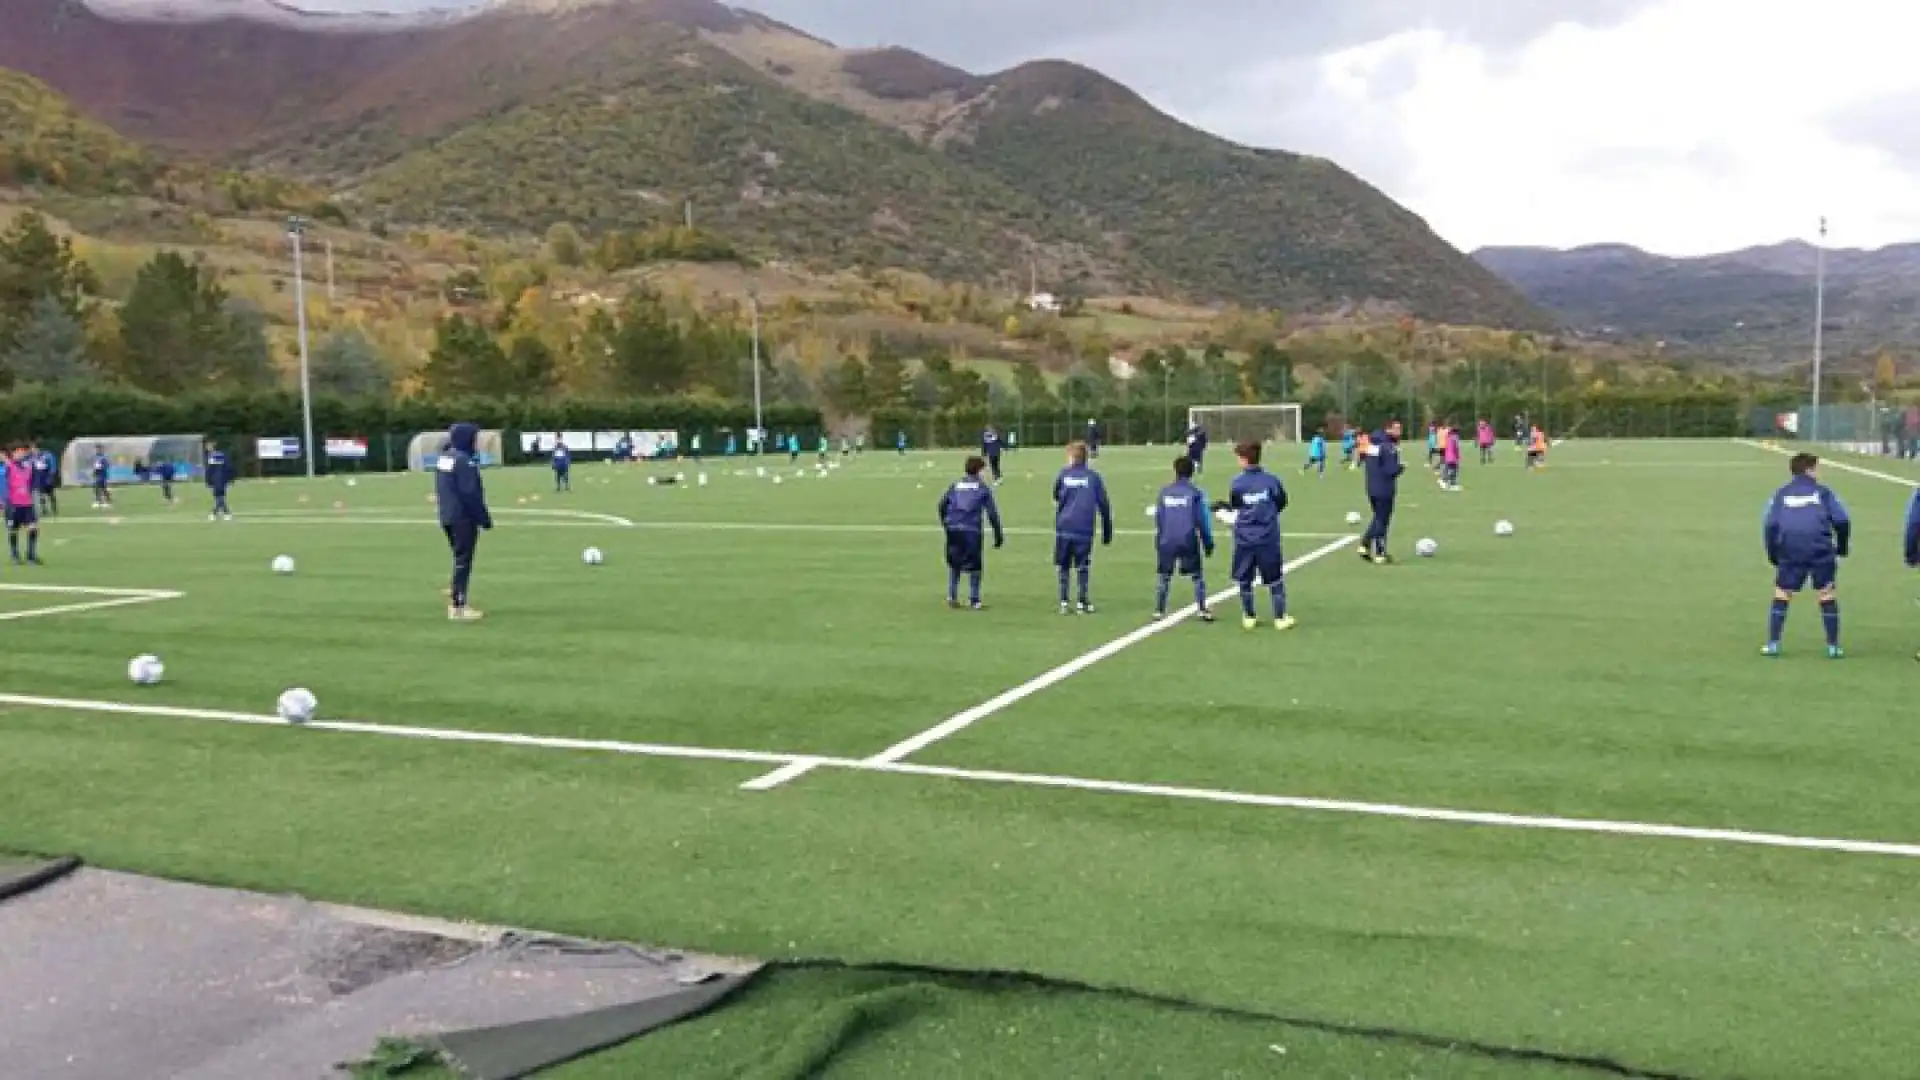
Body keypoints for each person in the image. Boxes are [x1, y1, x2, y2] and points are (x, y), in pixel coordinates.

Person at [1762, 453, 1849, 658]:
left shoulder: (1781, 494)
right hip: (1820, 547)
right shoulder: (1823, 493)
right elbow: (1842, 520)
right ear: (1809, 470)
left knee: (1782, 593)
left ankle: (1773, 644)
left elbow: (1770, 525)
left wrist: (1774, 553)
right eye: (1818, 468)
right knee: (1826, 593)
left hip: (1790, 548)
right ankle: (1833, 647)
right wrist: (1842, 546)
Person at [1215, 440, 1292, 630]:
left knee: (1244, 578)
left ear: (1243, 459)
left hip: (1244, 538)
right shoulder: (1272, 481)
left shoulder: (1237, 483)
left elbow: (1236, 505)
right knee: (1275, 579)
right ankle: (1280, 618)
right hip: (1268, 537)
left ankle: (1249, 616)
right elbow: (1282, 502)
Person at [436, 422, 493, 622]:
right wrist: (483, 518)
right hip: (462, 518)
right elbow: (470, 494)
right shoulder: (464, 461)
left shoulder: (445, 458)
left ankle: (455, 590)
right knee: (463, 561)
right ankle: (458, 606)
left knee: (459, 557)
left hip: (447, 515)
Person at [1052, 441, 1113, 615]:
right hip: (1084, 528)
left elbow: (1055, 494)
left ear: (1071, 457)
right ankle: (1082, 601)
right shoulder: (1093, 477)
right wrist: (1107, 530)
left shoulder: (1063, 474)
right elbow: (1104, 504)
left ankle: (1064, 602)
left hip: (1064, 526)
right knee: (1082, 565)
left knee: (1063, 566)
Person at [1152, 456, 1215, 622]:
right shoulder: (1195, 493)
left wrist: (1159, 539)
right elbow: (1202, 520)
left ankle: (1159, 609)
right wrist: (1208, 543)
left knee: (1164, 576)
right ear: (1192, 472)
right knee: (1197, 577)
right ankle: (1202, 608)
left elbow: (1159, 518)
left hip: (1167, 539)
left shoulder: (1164, 492)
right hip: (1188, 539)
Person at [938, 455, 1002, 610]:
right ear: (979, 471)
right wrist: (998, 534)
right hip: (970, 529)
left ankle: (952, 596)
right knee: (975, 566)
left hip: (953, 527)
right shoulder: (982, 488)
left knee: (955, 563)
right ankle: (974, 600)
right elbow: (992, 513)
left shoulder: (956, 485)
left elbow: (942, 504)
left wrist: (945, 523)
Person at [1359, 420, 1403, 564]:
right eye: (1397, 429)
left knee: (1379, 519)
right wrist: (1400, 468)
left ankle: (1379, 553)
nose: (1399, 432)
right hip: (1385, 489)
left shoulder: (1373, 444)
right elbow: (1390, 470)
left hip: (1371, 488)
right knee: (1382, 520)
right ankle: (1365, 543)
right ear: (1388, 430)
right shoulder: (1388, 446)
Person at [4, 445, 42, 565]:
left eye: (22, 452)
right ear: (13, 454)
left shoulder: (29, 467)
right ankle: (15, 555)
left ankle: (31, 556)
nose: (20, 454)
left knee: (33, 529)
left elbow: (34, 481)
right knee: (13, 530)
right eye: (18, 452)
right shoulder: (8, 466)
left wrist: (33, 491)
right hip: (13, 504)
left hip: (27, 504)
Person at [204, 442, 233, 520]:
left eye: (208, 446)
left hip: (217, 480)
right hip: (220, 480)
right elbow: (228, 467)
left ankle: (217, 513)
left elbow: (210, 470)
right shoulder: (218, 455)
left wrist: (208, 481)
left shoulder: (214, 456)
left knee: (219, 497)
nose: (207, 448)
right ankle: (224, 513)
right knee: (219, 497)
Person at [30, 442, 57, 517]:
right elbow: (32, 468)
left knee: (50, 494)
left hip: (47, 477)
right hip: (39, 478)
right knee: (41, 494)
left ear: (37, 448)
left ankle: (54, 508)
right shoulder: (32, 458)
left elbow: (53, 466)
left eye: (34, 449)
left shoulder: (47, 455)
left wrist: (51, 476)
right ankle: (44, 509)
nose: (33, 450)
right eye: (32, 449)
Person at [1441, 422, 1462, 491]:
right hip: (1453, 457)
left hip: (1448, 456)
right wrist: (1458, 456)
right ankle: (1452, 484)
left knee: (1448, 469)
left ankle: (1444, 481)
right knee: (1454, 470)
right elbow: (1456, 448)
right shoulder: (1455, 438)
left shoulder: (1448, 437)